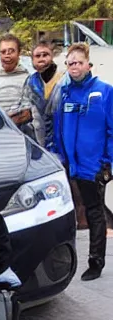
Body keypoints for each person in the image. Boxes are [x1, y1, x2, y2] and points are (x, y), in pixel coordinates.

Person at [49, 43, 113, 281]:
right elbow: (57, 128)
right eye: (70, 63)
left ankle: (95, 262)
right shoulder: (63, 93)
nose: (74, 66)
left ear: (89, 65)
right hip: (69, 164)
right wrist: (56, 153)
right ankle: (63, 260)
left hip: (93, 166)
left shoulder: (104, 92)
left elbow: (111, 130)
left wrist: (107, 163)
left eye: (79, 62)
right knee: (66, 213)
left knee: (94, 212)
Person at [0, 34, 37, 140]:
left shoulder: (30, 79)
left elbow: (29, 113)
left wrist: (2, 124)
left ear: (19, 53)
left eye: (11, 51)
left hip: (17, 134)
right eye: (3, 52)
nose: (7, 55)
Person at [26, 40, 64, 148]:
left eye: (45, 55)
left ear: (52, 56)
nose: (41, 58)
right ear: (32, 60)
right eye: (37, 56)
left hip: (63, 135)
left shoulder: (64, 79)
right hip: (41, 138)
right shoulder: (31, 82)